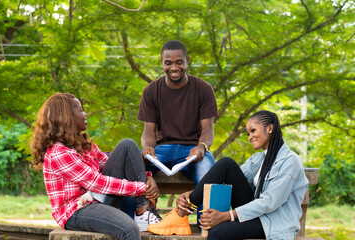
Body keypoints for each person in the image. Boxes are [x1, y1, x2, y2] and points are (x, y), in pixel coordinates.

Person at [147, 110, 309, 240]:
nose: (250, 136)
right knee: (226, 164)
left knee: (218, 233)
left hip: (273, 222)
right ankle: (181, 214)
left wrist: (227, 216)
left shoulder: (289, 161)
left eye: (253, 131)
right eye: (248, 133)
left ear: (270, 128)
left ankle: (180, 215)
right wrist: (192, 195)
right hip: (256, 214)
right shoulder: (259, 159)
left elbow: (270, 202)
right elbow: (229, 179)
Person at [30, 93, 162, 240]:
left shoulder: (83, 143)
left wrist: (147, 177)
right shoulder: (58, 153)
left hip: (97, 200)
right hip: (77, 210)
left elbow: (109, 162)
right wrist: (142, 187)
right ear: (67, 117)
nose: (85, 113)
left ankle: (143, 211)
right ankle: (142, 212)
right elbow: (97, 182)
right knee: (129, 228)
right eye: (80, 110)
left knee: (127, 145)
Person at [137, 39, 218, 186]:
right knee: (133, 170)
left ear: (187, 61)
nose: (174, 67)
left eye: (179, 62)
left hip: (193, 151)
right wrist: (147, 148)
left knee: (209, 180)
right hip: (160, 150)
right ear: (162, 62)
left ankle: (205, 210)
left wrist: (201, 147)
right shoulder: (150, 91)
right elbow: (148, 131)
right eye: (168, 63)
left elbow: (207, 129)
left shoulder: (204, 89)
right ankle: (142, 210)